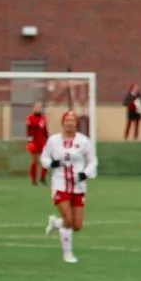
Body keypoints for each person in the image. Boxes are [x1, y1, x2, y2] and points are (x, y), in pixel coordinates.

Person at [40, 110, 97, 265]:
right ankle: (68, 254)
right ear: (63, 122)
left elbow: (92, 161)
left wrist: (86, 174)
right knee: (68, 219)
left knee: (77, 225)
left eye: (73, 120)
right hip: (60, 184)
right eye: (67, 120)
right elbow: (44, 157)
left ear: (76, 123)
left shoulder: (84, 141)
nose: (70, 123)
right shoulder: (53, 140)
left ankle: (55, 223)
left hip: (78, 186)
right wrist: (51, 163)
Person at [25, 101, 49, 184]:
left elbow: (45, 130)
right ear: (33, 108)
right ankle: (34, 179)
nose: (38, 108)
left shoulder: (43, 118)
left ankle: (42, 177)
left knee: (45, 159)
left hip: (42, 141)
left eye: (40, 107)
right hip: (34, 142)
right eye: (37, 107)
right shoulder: (30, 118)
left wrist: (48, 139)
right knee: (34, 161)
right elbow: (29, 131)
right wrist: (30, 141)